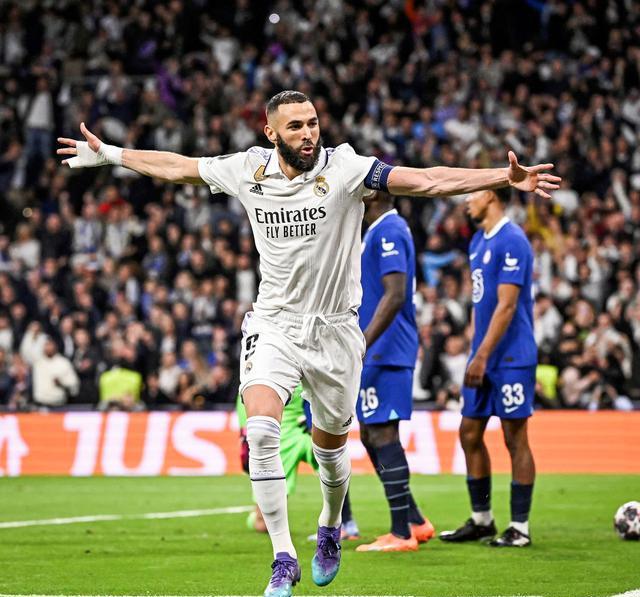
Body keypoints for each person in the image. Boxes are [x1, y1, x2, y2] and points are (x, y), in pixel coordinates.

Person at [58, 90, 558, 596]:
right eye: (295, 126)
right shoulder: (248, 170)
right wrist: (112, 154)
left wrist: (502, 177)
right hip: (274, 324)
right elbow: (179, 166)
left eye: (313, 123)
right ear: (271, 132)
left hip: (336, 330)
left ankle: (329, 525)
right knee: (261, 432)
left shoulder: (346, 169)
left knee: (330, 449)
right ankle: (283, 557)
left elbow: (426, 180)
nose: (308, 134)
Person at [439, 187, 537, 548]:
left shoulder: (513, 240)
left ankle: (520, 527)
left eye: (473, 194)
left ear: (492, 197)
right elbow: (480, 303)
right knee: (469, 433)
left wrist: (481, 355)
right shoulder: (478, 241)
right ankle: (482, 519)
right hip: (482, 354)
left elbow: (507, 306)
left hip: (512, 357)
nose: (467, 200)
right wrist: (474, 349)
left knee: (515, 437)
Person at [354, 192, 434, 553]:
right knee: (370, 434)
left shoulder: (389, 229)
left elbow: (396, 293)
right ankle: (414, 521)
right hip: (380, 350)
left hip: (386, 349)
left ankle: (401, 533)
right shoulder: (377, 230)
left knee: (382, 433)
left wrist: (364, 340)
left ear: (375, 192)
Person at [236, 385, 359, 539]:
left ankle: (346, 523)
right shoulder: (263, 374)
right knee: (263, 524)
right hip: (282, 435)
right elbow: (246, 397)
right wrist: (246, 433)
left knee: (334, 467)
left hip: (310, 428)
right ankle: (256, 518)